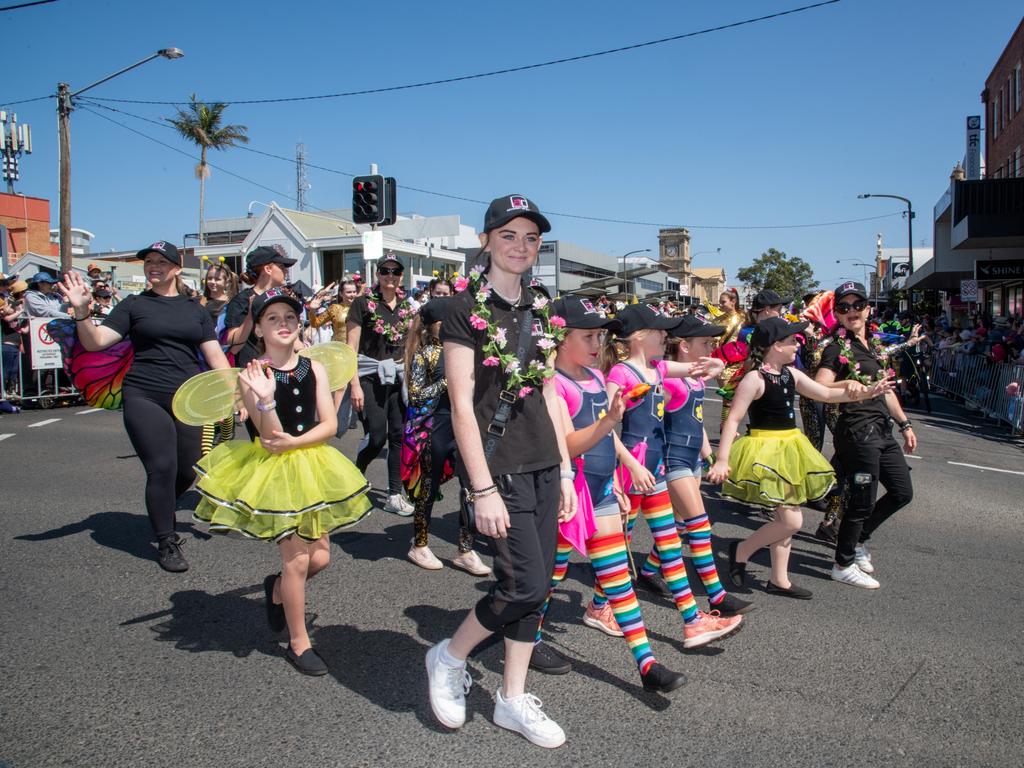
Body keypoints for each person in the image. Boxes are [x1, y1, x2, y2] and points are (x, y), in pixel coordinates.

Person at [425, 195, 575, 748]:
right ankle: (449, 655)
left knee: (536, 591)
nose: (520, 246)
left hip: (542, 460)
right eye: (509, 235)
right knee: (524, 584)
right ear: (486, 241)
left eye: (531, 238)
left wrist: (562, 472)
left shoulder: (544, 305)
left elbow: (551, 390)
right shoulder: (462, 310)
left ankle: (512, 698)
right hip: (498, 468)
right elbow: (462, 404)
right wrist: (481, 486)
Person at [192, 288, 371, 675]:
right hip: (274, 473)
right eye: (272, 318)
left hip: (312, 464)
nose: (283, 324)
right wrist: (266, 399)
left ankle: (276, 590)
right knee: (298, 558)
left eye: (290, 317)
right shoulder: (251, 376)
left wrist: (298, 441)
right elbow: (271, 441)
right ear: (258, 327)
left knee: (321, 558)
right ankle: (298, 641)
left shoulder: (315, 369)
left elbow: (328, 424)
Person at [531, 295, 687, 692]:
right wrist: (610, 422)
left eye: (599, 334)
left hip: (601, 490)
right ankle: (528, 636)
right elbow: (570, 442)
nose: (597, 343)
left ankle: (647, 663)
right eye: (587, 336)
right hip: (571, 495)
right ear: (560, 339)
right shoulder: (554, 384)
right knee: (553, 574)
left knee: (618, 575)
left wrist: (624, 468)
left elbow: (609, 436)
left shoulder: (597, 377)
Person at [57, 241, 232, 572]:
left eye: (161, 262)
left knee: (188, 467)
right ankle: (166, 540)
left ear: (176, 268)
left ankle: (163, 502)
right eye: (149, 261)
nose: (154, 266)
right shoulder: (133, 305)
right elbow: (95, 342)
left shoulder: (196, 309)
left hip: (187, 398)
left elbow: (215, 357)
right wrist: (82, 311)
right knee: (162, 467)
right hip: (144, 394)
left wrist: (236, 394)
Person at [709, 316, 892, 598]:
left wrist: (867, 392)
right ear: (774, 346)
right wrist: (722, 459)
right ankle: (741, 549)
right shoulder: (754, 379)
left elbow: (824, 395)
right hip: (765, 452)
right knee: (791, 520)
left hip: (790, 449)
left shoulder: (791, 375)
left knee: (788, 513)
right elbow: (733, 419)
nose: (797, 346)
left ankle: (779, 580)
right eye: (791, 341)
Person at [605, 304, 744, 647]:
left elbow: (704, 367)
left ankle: (693, 621)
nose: (665, 336)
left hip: (656, 470)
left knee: (669, 542)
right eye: (659, 331)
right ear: (638, 337)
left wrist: (718, 362)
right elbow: (605, 427)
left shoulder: (661, 367)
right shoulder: (620, 375)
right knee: (615, 545)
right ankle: (596, 605)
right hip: (632, 468)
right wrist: (631, 465)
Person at [646, 314, 753, 615]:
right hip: (673, 461)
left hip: (692, 459)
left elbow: (697, 424)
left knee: (679, 525)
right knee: (699, 525)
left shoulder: (693, 380)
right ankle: (716, 596)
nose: (711, 347)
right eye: (705, 342)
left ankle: (648, 571)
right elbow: (645, 417)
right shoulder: (668, 381)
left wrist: (710, 459)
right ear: (683, 346)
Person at [815, 281, 917, 589]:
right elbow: (820, 386)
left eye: (857, 305)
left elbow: (886, 393)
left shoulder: (872, 347)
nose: (852, 312)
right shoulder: (836, 347)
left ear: (867, 308)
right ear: (837, 315)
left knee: (902, 492)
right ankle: (843, 563)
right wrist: (847, 387)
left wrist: (905, 424)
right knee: (861, 501)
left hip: (882, 432)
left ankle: (858, 541)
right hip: (857, 434)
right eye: (844, 308)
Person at [402, 297, 490, 575]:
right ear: (433, 327)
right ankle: (419, 544)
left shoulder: (466, 350)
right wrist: (447, 380)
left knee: (470, 488)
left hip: (462, 428)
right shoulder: (425, 354)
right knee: (428, 488)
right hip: (433, 428)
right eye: (448, 322)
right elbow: (415, 394)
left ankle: (466, 548)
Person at [347, 254, 416, 516]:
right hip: (369, 375)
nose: (390, 276)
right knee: (377, 437)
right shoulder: (362, 304)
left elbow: (412, 344)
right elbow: (350, 347)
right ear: (378, 274)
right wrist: (353, 384)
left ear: (401, 276)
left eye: (395, 272)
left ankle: (394, 494)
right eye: (385, 271)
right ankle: (355, 477)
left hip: (397, 377)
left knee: (398, 435)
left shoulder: (408, 307)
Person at [224, 245, 296, 370]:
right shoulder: (242, 300)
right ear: (268, 269)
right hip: (253, 371)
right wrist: (251, 316)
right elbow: (232, 341)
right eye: (282, 267)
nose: (286, 271)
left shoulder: (282, 298)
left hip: (282, 367)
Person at [199, 260, 240, 454]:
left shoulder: (233, 305)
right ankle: (207, 458)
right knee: (208, 412)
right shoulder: (199, 302)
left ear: (227, 281)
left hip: (225, 359)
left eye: (217, 278)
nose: (212, 282)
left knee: (225, 411)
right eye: (210, 278)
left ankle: (223, 448)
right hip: (200, 361)